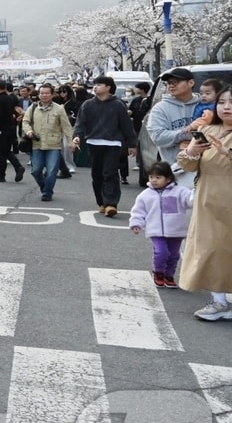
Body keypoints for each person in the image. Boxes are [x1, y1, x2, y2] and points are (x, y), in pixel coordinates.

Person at [173, 85, 232, 319]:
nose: (227, 107)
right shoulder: (208, 129)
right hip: (209, 198)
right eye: (222, 102)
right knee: (210, 248)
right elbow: (186, 165)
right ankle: (218, 301)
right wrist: (192, 151)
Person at [71, 75, 137, 217]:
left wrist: (132, 144)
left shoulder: (118, 104)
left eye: (99, 84)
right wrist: (76, 136)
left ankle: (111, 203)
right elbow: (80, 123)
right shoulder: (87, 105)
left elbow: (126, 125)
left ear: (108, 87)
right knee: (97, 174)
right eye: (95, 84)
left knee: (110, 173)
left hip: (113, 143)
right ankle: (101, 202)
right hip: (93, 142)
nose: (95, 87)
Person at [129, 161, 193, 289]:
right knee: (161, 252)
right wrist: (136, 223)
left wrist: (199, 190)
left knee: (174, 255)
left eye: (158, 177)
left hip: (176, 231)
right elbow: (139, 210)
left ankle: (169, 275)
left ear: (168, 178)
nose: (154, 180)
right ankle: (158, 273)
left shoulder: (180, 192)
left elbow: (191, 201)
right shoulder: (146, 195)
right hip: (156, 230)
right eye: (151, 177)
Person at [146, 67, 202, 185]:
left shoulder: (205, 105)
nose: (171, 86)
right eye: (169, 83)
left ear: (191, 83)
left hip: (206, 169)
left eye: (176, 82)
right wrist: (187, 135)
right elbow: (158, 136)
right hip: (176, 170)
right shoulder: (160, 108)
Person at [22, 84, 73, 202]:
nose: (44, 95)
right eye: (42, 93)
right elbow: (25, 121)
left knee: (51, 171)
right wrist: (29, 131)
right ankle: (44, 186)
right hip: (36, 144)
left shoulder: (59, 109)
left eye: (47, 93)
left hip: (53, 144)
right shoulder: (33, 107)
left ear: (52, 94)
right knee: (36, 171)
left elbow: (66, 127)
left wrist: (71, 142)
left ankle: (47, 192)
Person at [0, 81, 25, 183]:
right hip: (10, 127)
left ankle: (1, 174)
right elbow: (15, 111)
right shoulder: (10, 98)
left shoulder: (0, 100)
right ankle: (17, 168)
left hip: (1, 129)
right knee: (6, 151)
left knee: (1, 153)